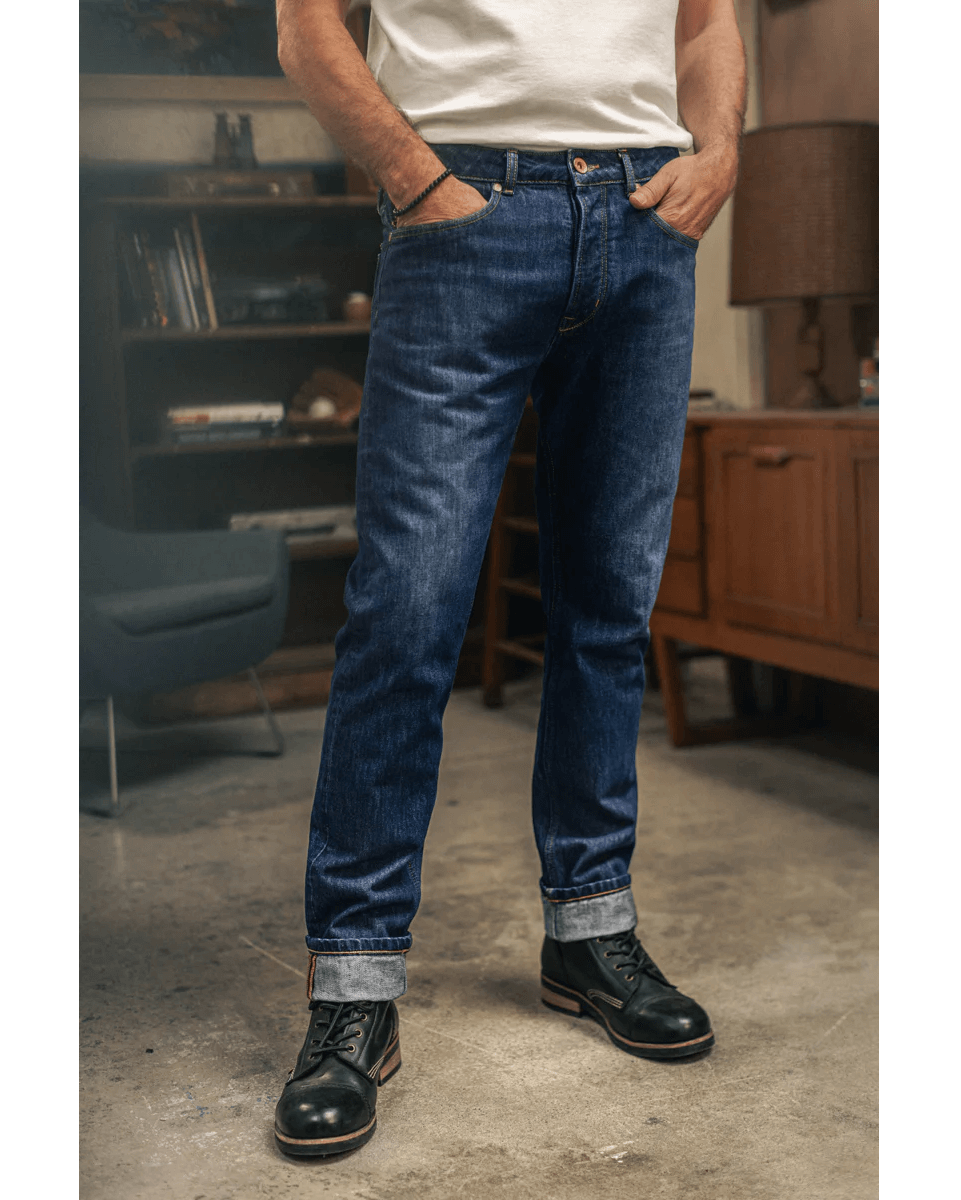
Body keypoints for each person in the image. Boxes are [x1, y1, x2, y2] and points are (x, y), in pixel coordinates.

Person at [272, 0, 747, 1157]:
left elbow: (706, 18)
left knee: (607, 609)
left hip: (647, 219)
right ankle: (355, 991)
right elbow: (305, 26)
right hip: (463, 213)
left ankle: (589, 934)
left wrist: (720, 149)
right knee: (407, 614)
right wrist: (420, 180)